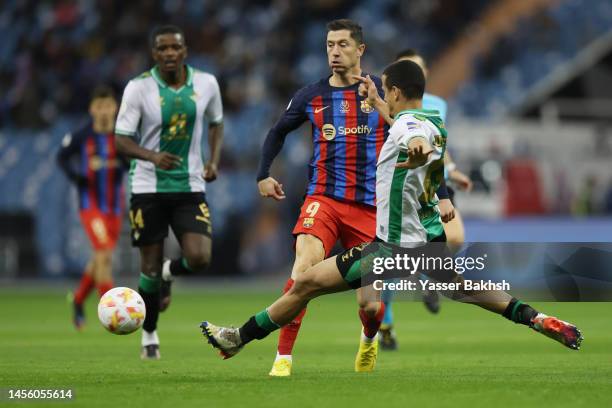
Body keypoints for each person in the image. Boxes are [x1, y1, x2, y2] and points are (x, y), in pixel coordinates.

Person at [200, 60, 583, 364]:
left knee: (304, 284)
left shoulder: (410, 129)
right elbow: (405, 123)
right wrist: (382, 106)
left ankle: (239, 337)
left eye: (385, 90)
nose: (381, 95)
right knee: (467, 289)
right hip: (429, 240)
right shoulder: (432, 121)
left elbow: (410, 136)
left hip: (391, 249)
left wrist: (415, 147)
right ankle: (534, 317)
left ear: (397, 91)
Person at [256, 18, 393, 376]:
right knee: (302, 271)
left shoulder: (380, 89)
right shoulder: (311, 95)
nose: (335, 51)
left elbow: (409, 129)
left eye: (343, 45)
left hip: (369, 207)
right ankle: (283, 357)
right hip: (325, 200)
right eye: (330, 45)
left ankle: (368, 338)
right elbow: (277, 131)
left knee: (372, 307)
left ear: (360, 50)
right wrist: (263, 173)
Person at [114, 25, 224, 359]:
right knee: (147, 265)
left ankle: (169, 272)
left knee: (200, 258)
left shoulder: (207, 84)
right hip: (147, 186)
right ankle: (149, 334)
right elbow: (120, 140)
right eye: (162, 49)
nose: (169, 53)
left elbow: (217, 123)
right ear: (154, 53)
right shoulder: (139, 88)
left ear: (185, 50)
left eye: (175, 47)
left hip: (190, 185)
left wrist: (213, 161)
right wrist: (151, 156)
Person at [360, 49, 473, 349]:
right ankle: (386, 321)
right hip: (405, 184)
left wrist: (449, 169)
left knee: (455, 238)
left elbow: (427, 141)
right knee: (392, 261)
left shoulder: (435, 105)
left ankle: (431, 279)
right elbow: (402, 127)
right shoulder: (397, 104)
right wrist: (377, 102)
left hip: (431, 181)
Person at [57, 85, 124, 330]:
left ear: (115, 108)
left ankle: (77, 300)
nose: (104, 111)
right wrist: (77, 177)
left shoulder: (122, 136)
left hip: (115, 208)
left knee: (98, 259)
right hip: (90, 205)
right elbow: (61, 157)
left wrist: (118, 164)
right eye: (100, 106)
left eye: (108, 106)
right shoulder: (81, 135)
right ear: (92, 109)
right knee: (104, 254)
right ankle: (113, 309)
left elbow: (131, 162)